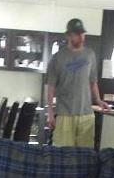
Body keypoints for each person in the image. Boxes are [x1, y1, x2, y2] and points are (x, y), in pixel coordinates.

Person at [46, 18, 109, 148]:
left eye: (82, 34)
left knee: (85, 154)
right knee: (63, 153)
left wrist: (98, 100)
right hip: (64, 114)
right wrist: (50, 113)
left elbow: (93, 81)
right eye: (77, 34)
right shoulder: (57, 58)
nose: (81, 37)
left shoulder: (90, 55)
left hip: (86, 114)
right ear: (68, 36)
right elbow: (50, 86)